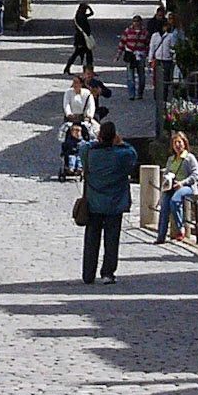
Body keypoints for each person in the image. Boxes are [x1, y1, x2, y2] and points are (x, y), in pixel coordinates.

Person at [81, 118, 137, 284]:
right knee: (112, 240)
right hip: (115, 203)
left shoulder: (90, 153)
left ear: (99, 136)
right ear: (114, 136)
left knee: (92, 239)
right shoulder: (122, 154)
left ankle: (88, 274)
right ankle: (108, 273)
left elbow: (83, 147)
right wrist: (120, 142)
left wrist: (99, 142)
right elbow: (133, 153)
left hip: (94, 202)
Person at [157, 129, 198, 243]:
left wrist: (182, 183)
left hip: (186, 186)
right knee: (164, 206)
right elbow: (166, 173)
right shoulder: (171, 159)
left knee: (175, 201)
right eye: (175, 143)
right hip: (171, 186)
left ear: (185, 143)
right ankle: (161, 235)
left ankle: (180, 229)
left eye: (179, 142)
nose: (177, 145)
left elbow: (195, 175)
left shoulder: (189, 158)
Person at [119, 14, 150, 100]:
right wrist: (118, 54)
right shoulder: (128, 31)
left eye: (138, 21)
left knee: (141, 75)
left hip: (141, 55)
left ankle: (140, 93)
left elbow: (148, 44)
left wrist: (148, 56)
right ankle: (131, 94)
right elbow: (122, 42)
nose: (136, 23)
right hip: (130, 55)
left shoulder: (145, 32)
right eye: (135, 21)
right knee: (130, 76)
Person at [63, 0, 94, 76]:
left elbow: (91, 14)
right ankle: (88, 70)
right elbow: (91, 14)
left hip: (81, 38)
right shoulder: (81, 16)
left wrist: (89, 8)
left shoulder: (79, 15)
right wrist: (89, 8)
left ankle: (68, 68)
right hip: (82, 39)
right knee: (86, 55)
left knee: (82, 54)